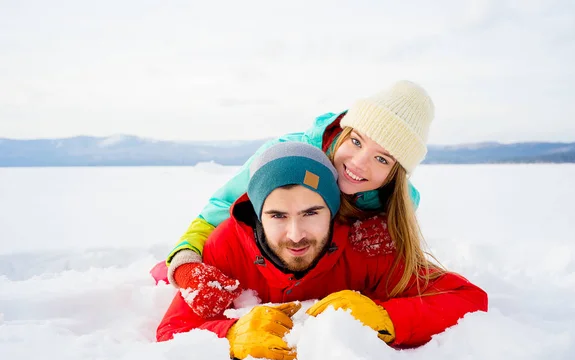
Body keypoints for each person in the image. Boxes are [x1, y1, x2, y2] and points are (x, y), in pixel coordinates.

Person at [156, 142, 488, 360]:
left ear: (334, 210)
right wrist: (230, 335)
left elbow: (468, 298)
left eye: (312, 213)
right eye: (277, 216)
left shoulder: (366, 246)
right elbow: (171, 330)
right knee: (162, 275)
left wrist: (385, 318)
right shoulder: (228, 243)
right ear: (258, 216)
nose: (296, 235)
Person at [165, 81, 436, 293]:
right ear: (344, 131)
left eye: (381, 158)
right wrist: (186, 262)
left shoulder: (398, 202)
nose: (358, 163)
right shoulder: (287, 159)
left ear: (395, 174)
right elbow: (222, 208)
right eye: (356, 141)